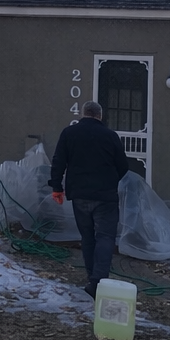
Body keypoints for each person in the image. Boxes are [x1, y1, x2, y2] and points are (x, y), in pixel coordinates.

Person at [49, 101, 132, 298]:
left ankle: (91, 277)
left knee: (87, 237)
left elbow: (58, 160)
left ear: (83, 114)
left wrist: (56, 188)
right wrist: (111, 181)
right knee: (105, 237)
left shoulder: (69, 134)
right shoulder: (110, 136)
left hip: (79, 195)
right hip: (105, 196)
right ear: (100, 116)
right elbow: (123, 166)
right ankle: (98, 281)